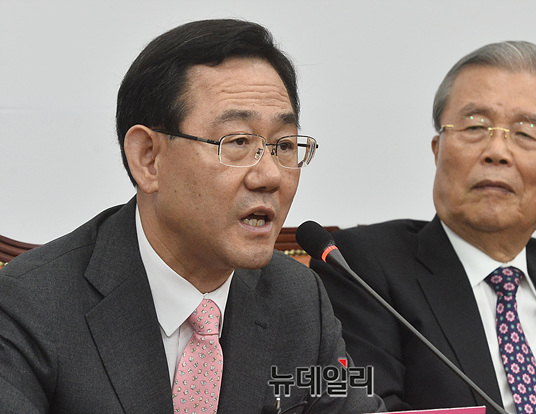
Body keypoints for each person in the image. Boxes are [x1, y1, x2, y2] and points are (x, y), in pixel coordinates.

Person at [0, 19, 384, 414]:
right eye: (238, 141)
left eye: (284, 145)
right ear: (148, 158)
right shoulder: (30, 306)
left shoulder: (299, 300)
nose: (270, 176)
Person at [312, 41, 536, 414]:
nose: (496, 152)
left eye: (527, 133)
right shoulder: (361, 269)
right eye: (475, 126)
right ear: (437, 149)